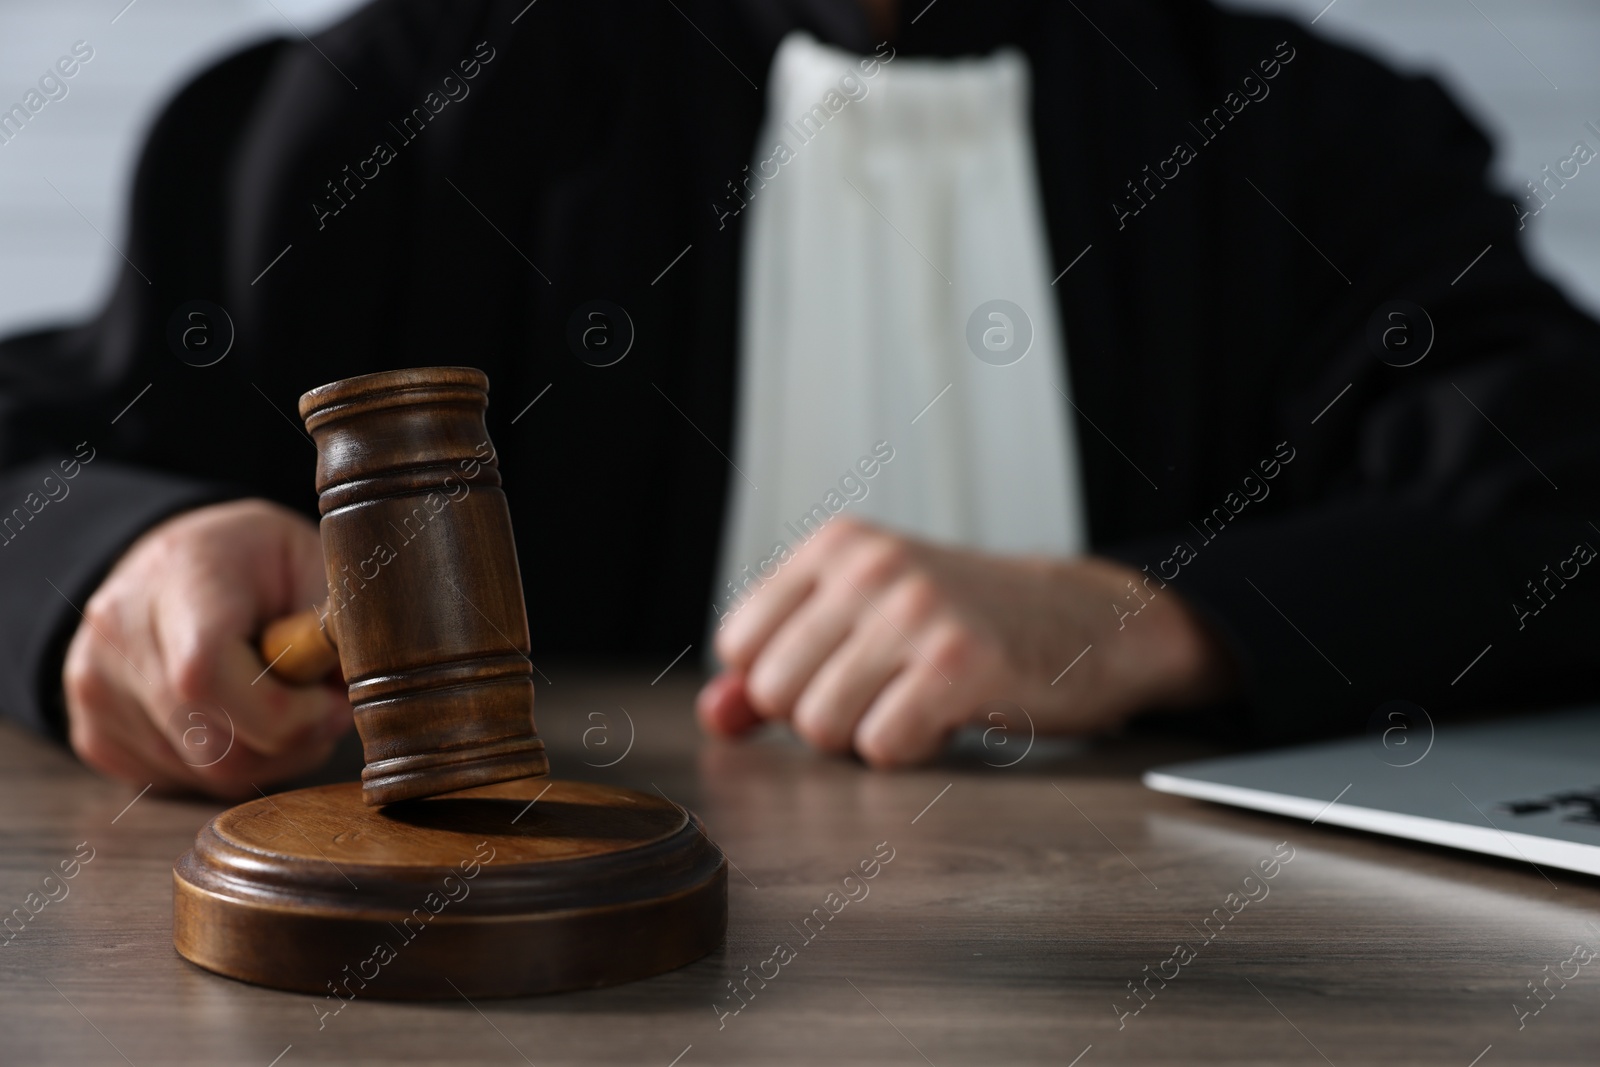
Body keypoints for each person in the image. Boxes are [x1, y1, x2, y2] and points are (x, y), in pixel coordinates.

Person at [0, 0, 1596, 799]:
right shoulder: (397, 119)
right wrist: (114, 570)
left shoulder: (1311, 143)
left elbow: (1562, 491)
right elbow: (38, 454)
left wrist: (1159, 613)